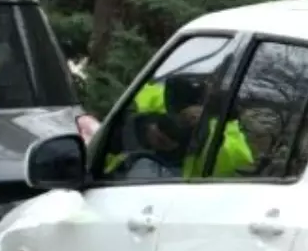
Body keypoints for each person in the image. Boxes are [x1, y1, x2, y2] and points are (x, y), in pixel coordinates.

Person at [103, 74, 253, 179]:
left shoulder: (228, 124)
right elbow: (111, 131)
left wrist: (206, 127)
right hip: (128, 177)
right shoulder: (159, 92)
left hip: (185, 195)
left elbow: (233, 165)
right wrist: (145, 129)